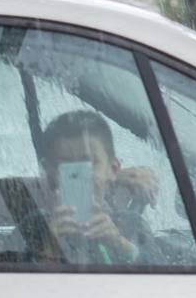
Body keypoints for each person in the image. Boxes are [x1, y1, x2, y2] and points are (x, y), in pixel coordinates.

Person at [34, 110, 158, 264]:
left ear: (112, 169)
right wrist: (47, 250)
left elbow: (165, 277)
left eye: (89, 163)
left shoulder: (132, 225)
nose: (80, 175)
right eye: (66, 165)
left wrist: (122, 246)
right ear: (51, 175)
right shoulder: (34, 226)